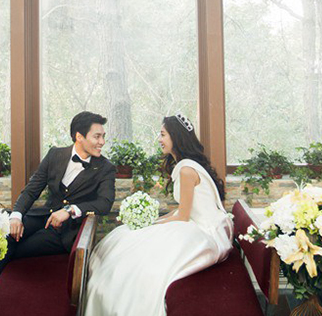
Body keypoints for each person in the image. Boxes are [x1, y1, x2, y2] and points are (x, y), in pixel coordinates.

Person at [84, 114, 232, 316]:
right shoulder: (185, 165)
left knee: (143, 250)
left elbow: (183, 216)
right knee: (127, 236)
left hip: (205, 230)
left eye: (163, 134)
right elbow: (182, 210)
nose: (159, 139)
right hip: (191, 221)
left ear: (176, 137)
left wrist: (154, 225)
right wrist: (154, 221)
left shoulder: (187, 170)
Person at [7, 111, 117, 259]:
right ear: (79, 137)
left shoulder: (106, 168)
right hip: (42, 216)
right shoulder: (54, 155)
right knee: (5, 235)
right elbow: (31, 190)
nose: (102, 142)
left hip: (65, 233)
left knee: (19, 249)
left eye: (103, 136)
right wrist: (16, 215)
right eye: (97, 136)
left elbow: (104, 203)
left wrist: (70, 210)